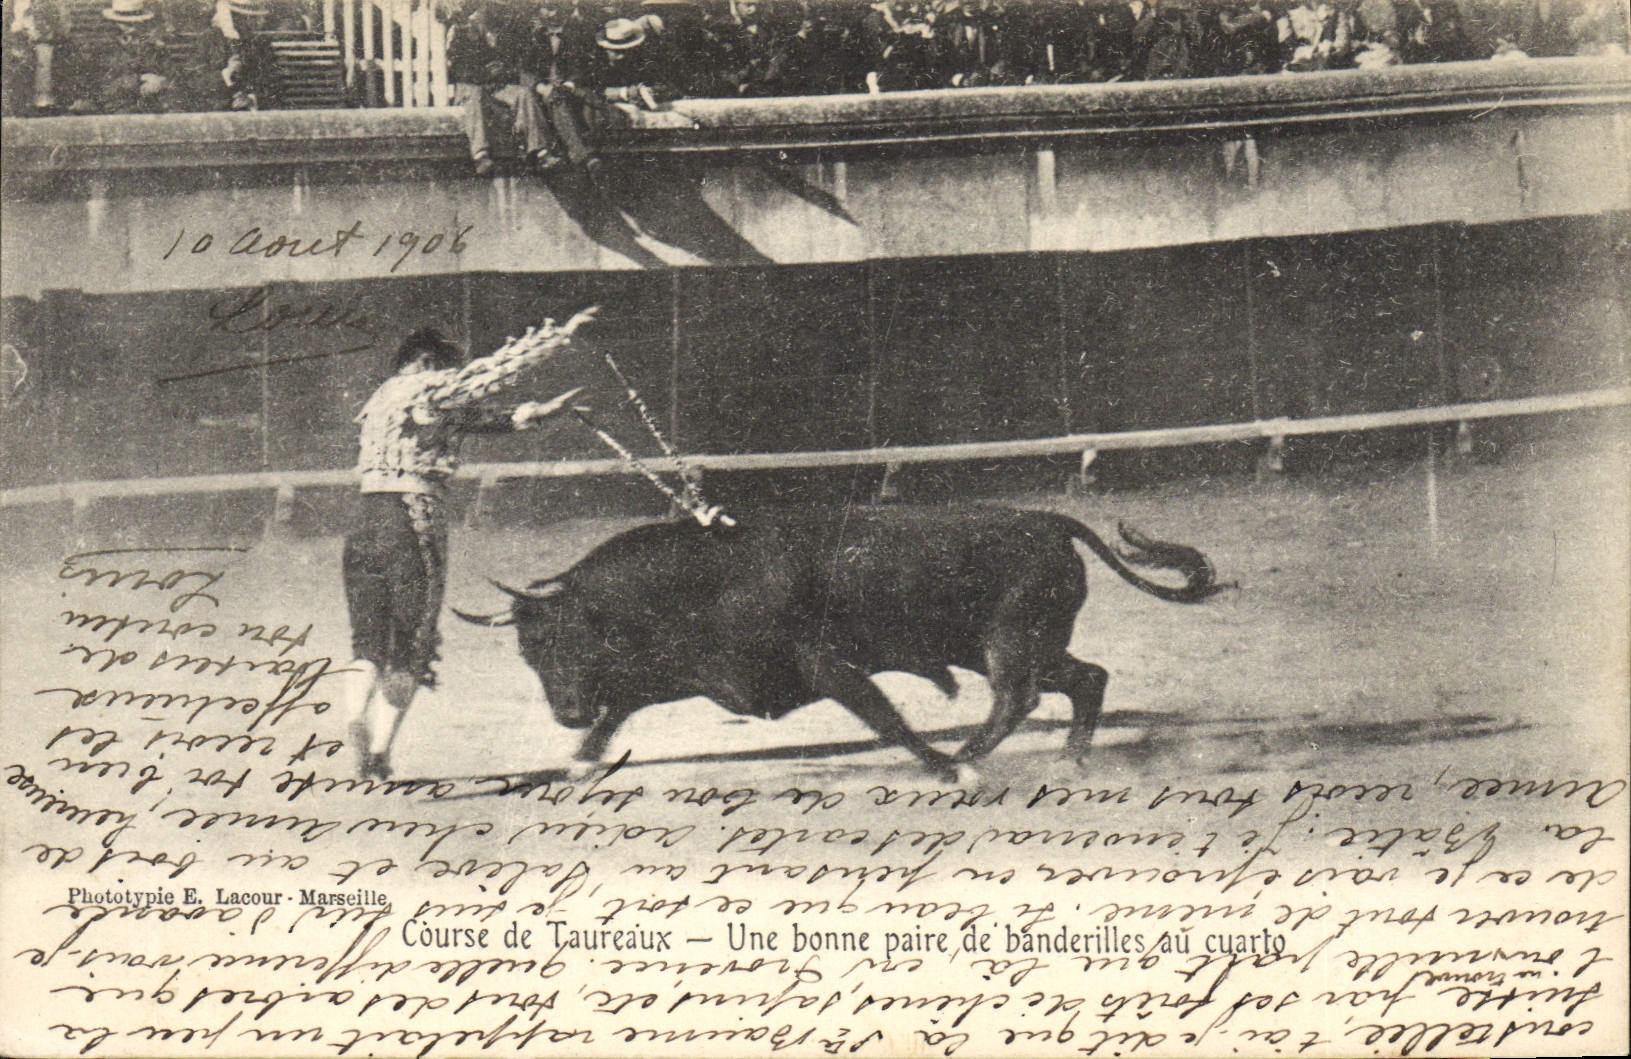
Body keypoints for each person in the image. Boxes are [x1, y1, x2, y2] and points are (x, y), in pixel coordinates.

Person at [340, 311, 595, 780]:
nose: (448, 374)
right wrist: (559, 337)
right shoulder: (424, 388)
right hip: (411, 523)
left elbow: (479, 418)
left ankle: (354, 717)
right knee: (411, 648)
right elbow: (487, 377)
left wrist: (542, 413)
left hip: (364, 524)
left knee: (367, 645)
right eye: (442, 365)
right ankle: (377, 753)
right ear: (422, 361)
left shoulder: (383, 400)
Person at [447, 1, 555, 175]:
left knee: (524, 94)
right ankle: (480, 155)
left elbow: (515, 64)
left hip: (498, 86)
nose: (483, 14)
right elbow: (457, 68)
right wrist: (484, 72)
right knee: (475, 95)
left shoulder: (506, 34)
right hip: (471, 86)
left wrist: (502, 71)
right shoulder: (462, 33)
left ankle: (540, 150)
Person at [81, 0, 174, 114]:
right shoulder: (104, 50)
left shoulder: (155, 48)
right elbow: (102, 88)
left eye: (135, 22)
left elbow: (172, 77)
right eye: (124, 22)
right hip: (115, 110)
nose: (130, 26)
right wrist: (140, 79)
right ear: (115, 22)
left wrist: (160, 82)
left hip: (152, 109)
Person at [189, 0, 284, 111]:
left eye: (256, 18)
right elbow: (194, 82)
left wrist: (251, 99)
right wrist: (226, 74)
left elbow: (274, 84)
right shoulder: (208, 40)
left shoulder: (260, 44)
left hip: (252, 112)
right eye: (247, 18)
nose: (258, 23)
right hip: (217, 111)